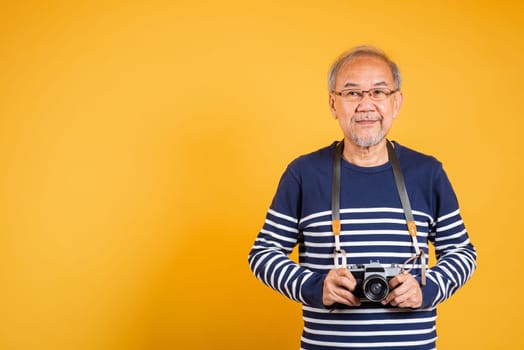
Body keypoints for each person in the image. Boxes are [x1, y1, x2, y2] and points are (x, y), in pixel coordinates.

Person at [247, 45, 477, 349]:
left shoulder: (427, 173)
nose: (366, 105)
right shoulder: (303, 173)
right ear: (333, 104)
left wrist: (428, 288)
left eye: (379, 92)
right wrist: (317, 286)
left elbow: (462, 252)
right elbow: (262, 253)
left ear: (396, 103)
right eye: (352, 93)